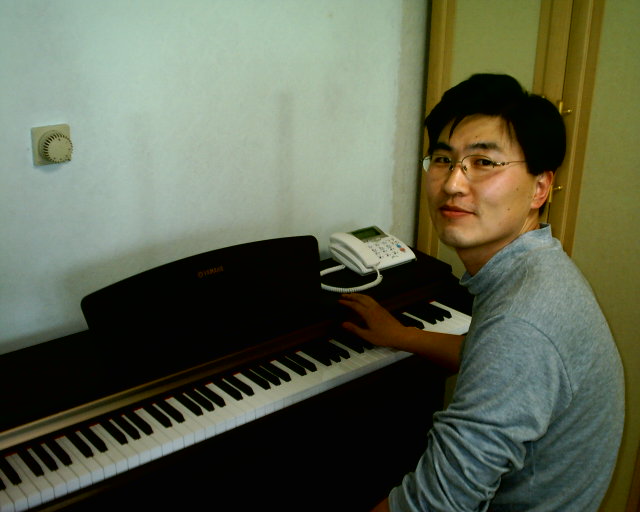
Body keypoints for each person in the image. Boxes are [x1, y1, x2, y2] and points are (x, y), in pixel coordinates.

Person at [339, 74, 624, 511]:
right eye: (443, 159)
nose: (453, 183)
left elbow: (433, 504)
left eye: (484, 162)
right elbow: (486, 354)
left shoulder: (522, 322)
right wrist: (401, 335)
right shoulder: (538, 268)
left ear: (540, 187)